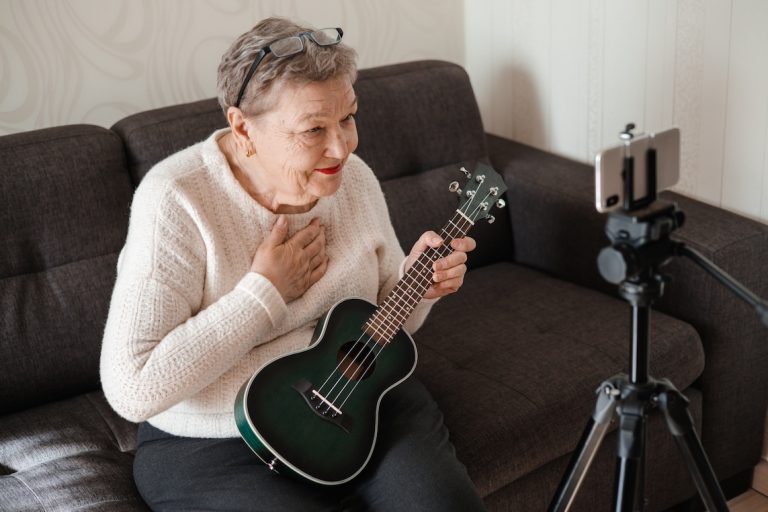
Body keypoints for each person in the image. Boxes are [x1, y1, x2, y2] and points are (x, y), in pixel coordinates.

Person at [100, 16, 486, 512]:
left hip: (357, 400)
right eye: (313, 129)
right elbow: (133, 389)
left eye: (348, 118)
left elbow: (378, 333)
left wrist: (418, 285)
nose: (342, 147)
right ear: (243, 128)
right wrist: (263, 292)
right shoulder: (176, 201)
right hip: (219, 439)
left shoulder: (354, 178)